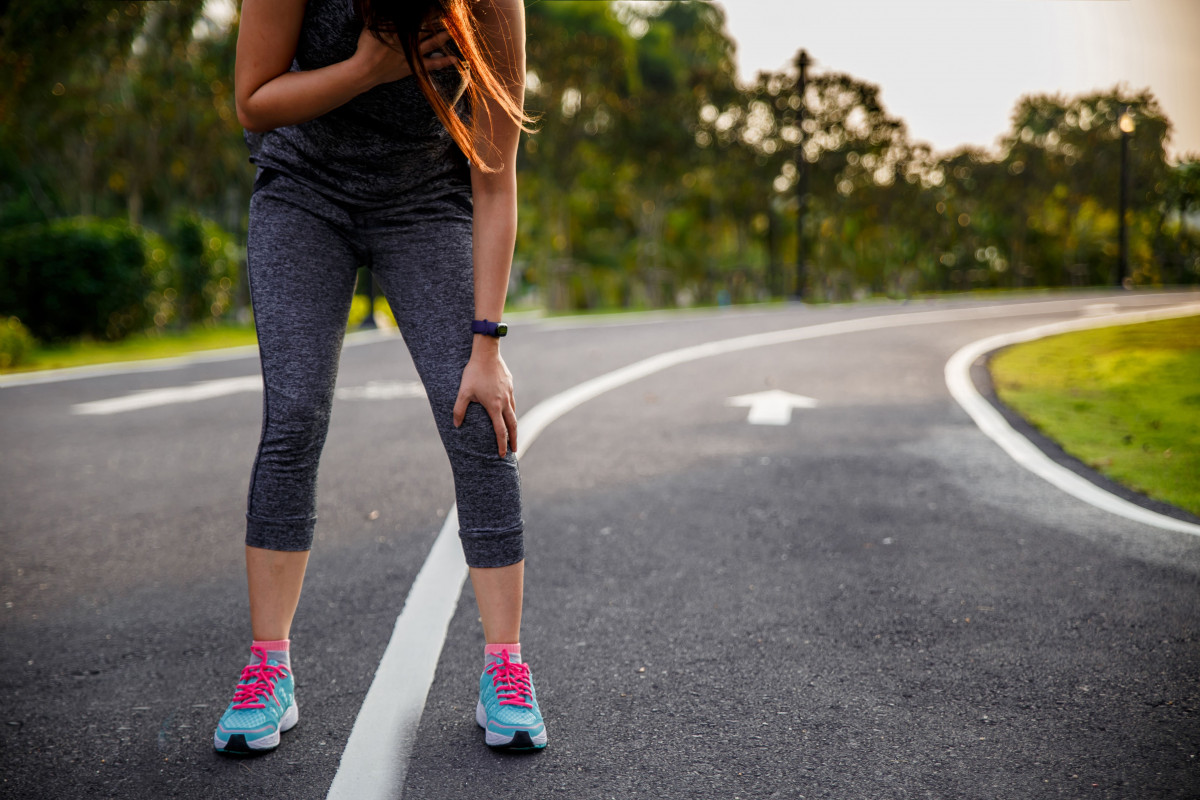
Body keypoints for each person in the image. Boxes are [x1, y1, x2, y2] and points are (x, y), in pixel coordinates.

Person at [213, 0, 545, 754]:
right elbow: (254, 102)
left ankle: (506, 670)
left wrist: (487, 346)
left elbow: (495, 181)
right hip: (305, 191)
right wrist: (367, 68)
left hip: (426, 198)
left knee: (475, 413)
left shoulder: (491, 4)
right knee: (294, 414)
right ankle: (269, 668)